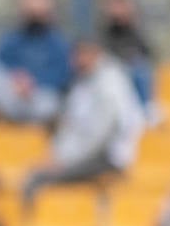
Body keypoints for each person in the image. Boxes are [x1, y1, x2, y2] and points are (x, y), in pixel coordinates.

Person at [21, 38, 145, 201]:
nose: (75, 61)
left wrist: (65, 162)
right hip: (82, 155)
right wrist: (57, 156)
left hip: (109, 158)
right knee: (36, 173)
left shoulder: (110, 83)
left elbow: (100, 137)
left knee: (38, 180)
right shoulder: (83, 81)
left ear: (93, 53)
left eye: (79, 55)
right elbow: (71, 126)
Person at [0, 0, 72, 124]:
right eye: (31, 12)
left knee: (50, 101)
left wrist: (33, 83)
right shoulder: (11, 38)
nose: (35, 16)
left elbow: (62, 75)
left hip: (40, 98)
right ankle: (11, 117)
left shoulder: (58, 43)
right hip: (14, 95)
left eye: (39, 12)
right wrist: (17, 80)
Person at [99, 0, 155, 111]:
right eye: (113, 5)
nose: (117, 10)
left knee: (140, 70)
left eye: (120, 5)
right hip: (111, 72)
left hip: (132, 71)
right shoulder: (104, 32)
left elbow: (147, 53)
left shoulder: (137, 31)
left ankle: (146, 108)